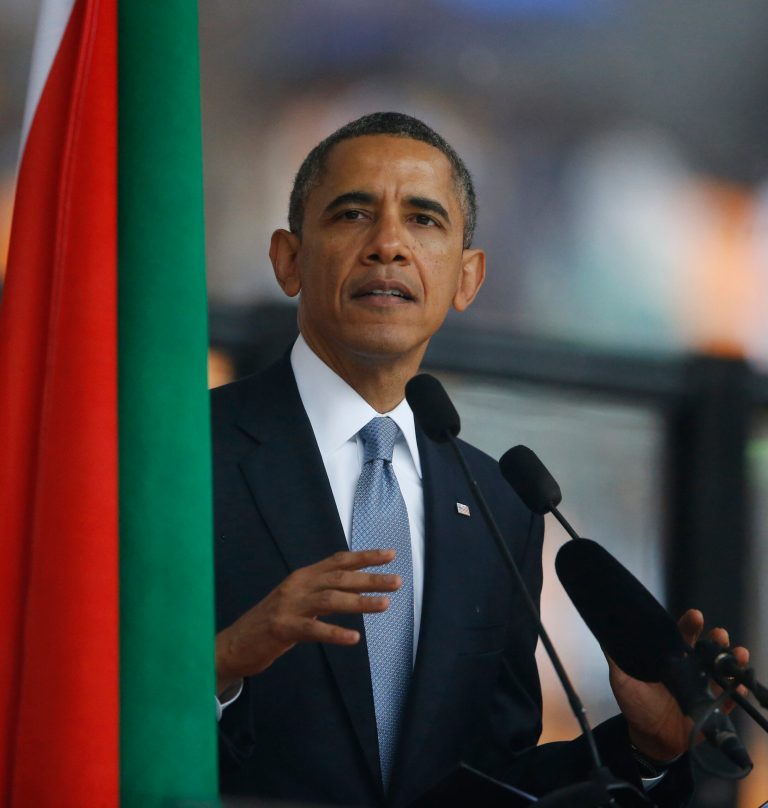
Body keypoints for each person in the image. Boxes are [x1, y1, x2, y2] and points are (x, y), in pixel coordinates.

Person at [211, 112, 746, 807]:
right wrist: (221, 662)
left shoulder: (498, 502)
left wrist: (645, 748)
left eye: (424, 220)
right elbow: (63, 707)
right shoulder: (186, 455)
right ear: (288, 258)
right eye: (352, 214)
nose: (388, 246)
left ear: (467, 277)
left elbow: (490, 778)